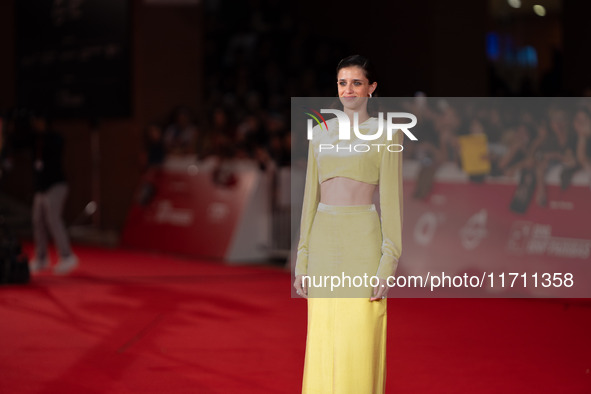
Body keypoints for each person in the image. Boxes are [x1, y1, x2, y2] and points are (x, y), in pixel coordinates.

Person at [293, 55, 403, 393]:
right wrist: (302, 258)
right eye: (343, 83)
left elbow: (392, 203)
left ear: (371, 88)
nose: (349, 89)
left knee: (359, 339)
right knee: (323, 338)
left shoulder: (389, 134)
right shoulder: (319, 133)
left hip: (363, 243)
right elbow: (309, 199)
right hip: (323, 242)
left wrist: (388, 263)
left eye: (356, 82)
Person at [28, 113, 78, 274]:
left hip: (56, 185)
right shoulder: (34, 139)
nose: (36, 123)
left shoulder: (54, 138)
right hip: (41, 188)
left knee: (53, 219)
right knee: (38, 221)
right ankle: (41, 258)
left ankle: (67, 256)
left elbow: (55, 147)